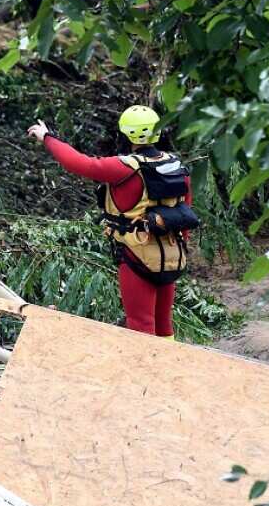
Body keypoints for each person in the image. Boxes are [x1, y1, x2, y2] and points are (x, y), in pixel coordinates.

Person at [27, 105, 199, 338]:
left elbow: (79, 163)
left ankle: (143, 373)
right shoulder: (176, 166)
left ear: (125, 133)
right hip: (171, 256)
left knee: (141, 326)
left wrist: (47, 137)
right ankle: (170, 372)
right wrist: (179, 250)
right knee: (164, 325)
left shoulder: (123, 167)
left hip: (136, 256)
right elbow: (184, 212)